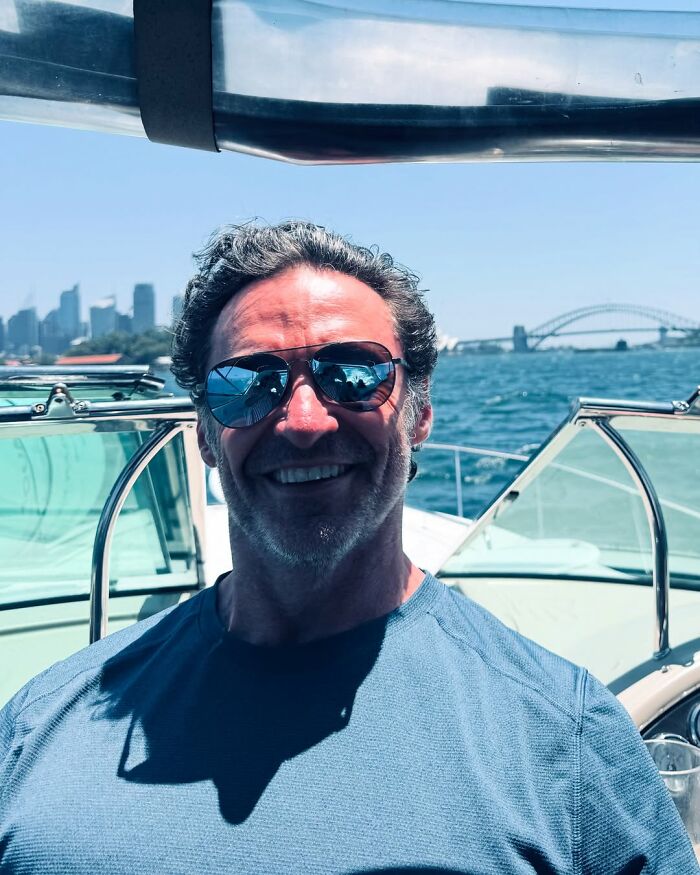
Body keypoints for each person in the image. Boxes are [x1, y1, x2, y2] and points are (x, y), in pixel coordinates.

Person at [0, 221, 696, 875]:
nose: (302, 420)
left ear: (419, 414)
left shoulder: (567, 740)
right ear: (207, 434)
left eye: (356, 374)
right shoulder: (38, 728)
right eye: (248, 385)